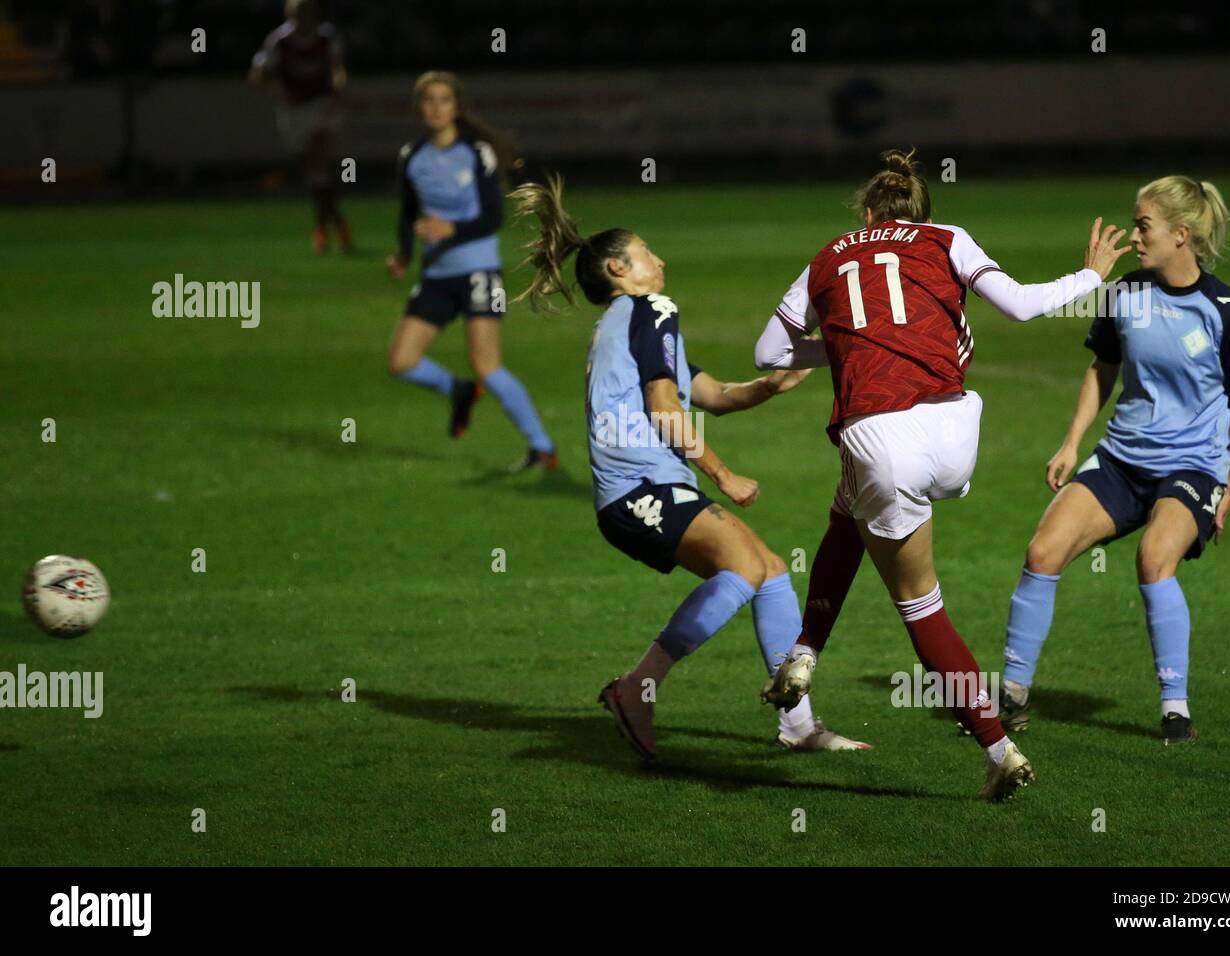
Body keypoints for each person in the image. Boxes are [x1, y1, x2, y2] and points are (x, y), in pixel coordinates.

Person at [754, 149, 1129, 800]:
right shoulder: (946, 238)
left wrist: (842, 344)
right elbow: (1017, 304)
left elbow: (768, 353)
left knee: (920, 606)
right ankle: (805, 648)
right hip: (955, 430)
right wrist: (1090, 275)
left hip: (880, 436)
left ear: (868, 213)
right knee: (847, 506)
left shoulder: (830, 254)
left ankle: (998, 749)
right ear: (921, 214)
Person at [512, 175, 870, 758]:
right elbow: (663, 407)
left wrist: (775, 383)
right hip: (641, 489)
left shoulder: (624, 327)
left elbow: (715, 393)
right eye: (646, 253)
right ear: (618, 271)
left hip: (641, 493)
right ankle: (637, 686)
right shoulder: (649, 309)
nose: (661, 260)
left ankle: (799, 726)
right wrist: (724, 476)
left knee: (770, 570)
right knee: (747, 569)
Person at [999, 176, 1230, 744]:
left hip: (1192, 467)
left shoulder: (1228, 312)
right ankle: (1012, 696)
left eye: (1143, 225)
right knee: (1042, 551)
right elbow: (1103, 368)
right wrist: (1072, 442)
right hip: (1122, 460)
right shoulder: (1123, 293)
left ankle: (1175, 708)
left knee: (1152, 558)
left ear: (1181, 235)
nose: (1134, 236)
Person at [386, 72, 556, 469]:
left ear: (456, 108)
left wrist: (452, 228)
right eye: (428, 101)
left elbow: (494, 215)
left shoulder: (476, 152)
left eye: (444, 100)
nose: (436, 108)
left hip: (480, 272)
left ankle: (542, 446)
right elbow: (407, 212)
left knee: (488, 364)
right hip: (437, 275)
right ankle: (459, 390)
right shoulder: (412, 155)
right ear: (419, 108)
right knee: (401, 362)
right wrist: (403, 254)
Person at [249, 0, 351, 253]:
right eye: (297, 13)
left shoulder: (327, 37)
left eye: (306, 12)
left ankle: (322, 231)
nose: (302, 18)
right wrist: (278, 90)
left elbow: (338, 67)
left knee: (318, 163)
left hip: (322, 106)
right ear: (288, 14)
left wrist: (339, 82)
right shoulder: (278, 41)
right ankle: (336, 222)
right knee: (316, 174)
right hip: (294, 112)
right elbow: (256, 76)